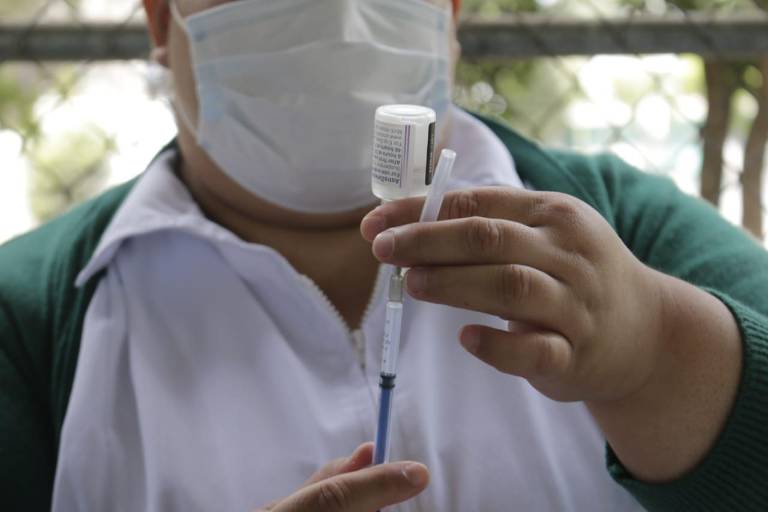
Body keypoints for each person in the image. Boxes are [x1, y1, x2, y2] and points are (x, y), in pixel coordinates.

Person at [1, 0, 767, 510]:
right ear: (161, 19)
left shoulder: (626, 226)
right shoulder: (30, 319)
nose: (334, 15)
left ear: (449, 13)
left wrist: (659, 352)